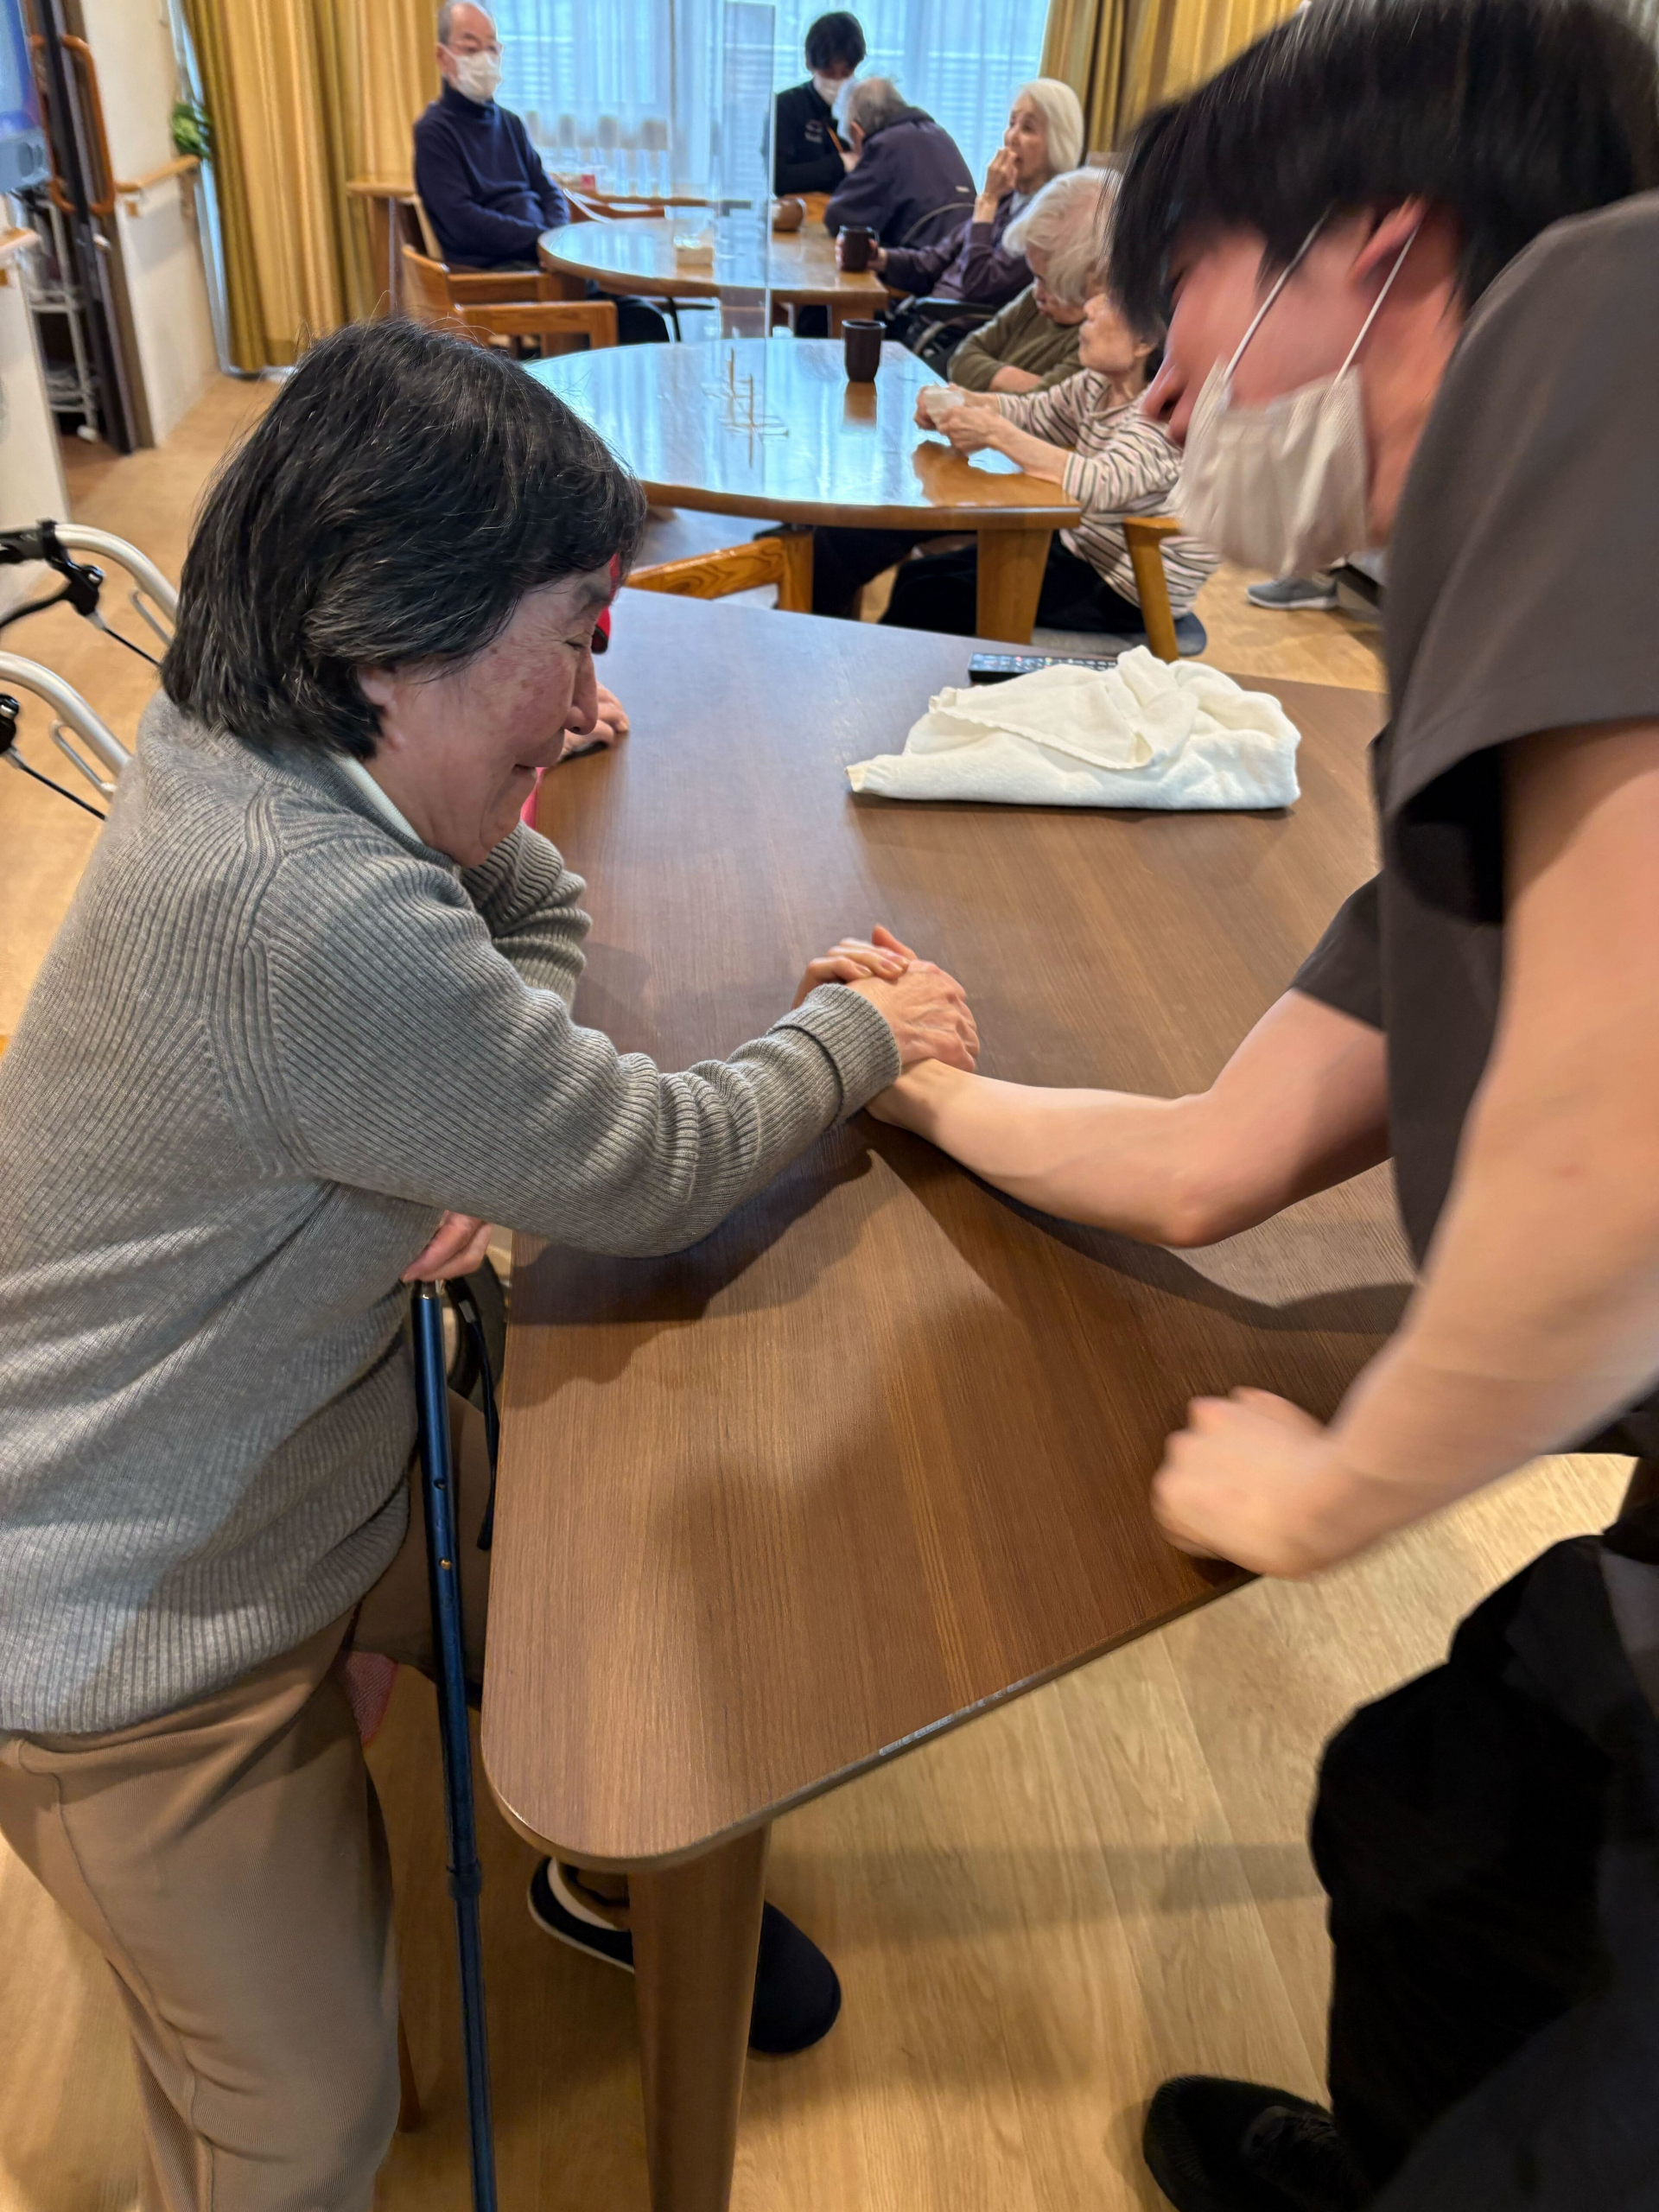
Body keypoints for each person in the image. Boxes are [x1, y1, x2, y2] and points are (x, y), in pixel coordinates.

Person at [0, 319, 979, 2211]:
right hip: (125, 1621)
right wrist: (861, 1031)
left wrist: (460, 1082)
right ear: (398, 643)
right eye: (574, 634)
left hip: (296, 1451)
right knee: (297, 2125)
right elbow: (645, 1160)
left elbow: (508, 916)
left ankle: (622, 1865)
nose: (591, 690)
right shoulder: (312, 913)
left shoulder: (253, 743)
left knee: (606, 1595)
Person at [863, 0, 1659, 2204]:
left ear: (1379, 248)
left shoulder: (1605, 313)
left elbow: (1616, 1179)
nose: (1151, 405)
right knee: (1431, 1803)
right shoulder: (1496, 726)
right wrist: (922, 1082)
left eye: (1180, 321)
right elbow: (1214, 1157)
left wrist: (1327, 1492)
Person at [812, 283, 1216, 640]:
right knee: (919, 576)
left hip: (1129, 586)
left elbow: (1099, 484)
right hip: (1080, 548)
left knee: (929, 598)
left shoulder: (1162, 416)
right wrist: (966, 403)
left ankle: (903, 688)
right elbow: (1034, 412)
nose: (1089, 308)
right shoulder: (1098, 384)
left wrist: (994, 431)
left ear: (1144, 342)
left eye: (1107, 303)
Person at [413, 2, 668, 343]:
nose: (484, 58)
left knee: (647, 317)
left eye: (492, 48)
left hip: (544, 261)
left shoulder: (510, 123)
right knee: (640, 324)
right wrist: (541, 242)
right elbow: (463, 222)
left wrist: (553, 238)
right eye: (471, 48)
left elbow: (549, 190)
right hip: (502, 275)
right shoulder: (435, 132)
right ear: (442, 57)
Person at [861, 79, 1087, 359]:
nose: (1011, 137)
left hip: (955, 340)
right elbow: (933, 262)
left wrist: (987, 202)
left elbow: (979, 285)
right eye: (1011, 123)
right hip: (921, 322)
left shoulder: (1051, 217)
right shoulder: (1006, 200)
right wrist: (881, 258)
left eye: (1027, 128)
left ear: (1058, 142)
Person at [945, 166, 1113, 395]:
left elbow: (1050, 404)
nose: (1036, 291)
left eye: (1049, 282)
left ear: (1090, 279)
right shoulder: (1036, 302)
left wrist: (991, 377)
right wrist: (1021, 382)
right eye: (1036, 277)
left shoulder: (1102, 340)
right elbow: (962, 360)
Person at [822, 76, 974, 253]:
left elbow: (839, 216)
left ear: (856, 131)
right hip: (968, 249)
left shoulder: (885, 144)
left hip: (929, 257)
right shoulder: (937, 133)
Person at [773, 10, 864, 196]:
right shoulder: (786, 105)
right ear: (809, 63)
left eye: (845, 74)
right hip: (802, 210)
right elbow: (779, 179)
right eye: (829, 73)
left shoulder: (866, 106)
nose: (837, 81)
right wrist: (840, 163)